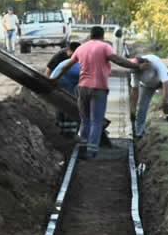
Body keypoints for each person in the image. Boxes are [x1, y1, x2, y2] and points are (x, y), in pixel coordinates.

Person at [52, 26, 140, 159]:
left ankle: (82, 146)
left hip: (82, 88)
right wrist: (136, 66)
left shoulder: (81, 48)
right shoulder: (104, 47)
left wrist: (54, 79)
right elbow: (118, 60)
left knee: (85, 119)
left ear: (90, 35)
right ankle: (91, 151)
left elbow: (65, 66)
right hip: (99, 88)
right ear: (102, 36)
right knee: (96, 121)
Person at [130, 52, 168, 138]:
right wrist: (133, 109)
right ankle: (139, 132)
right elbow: (135, 90)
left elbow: (165, 82)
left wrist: (164, 101)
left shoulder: (154, 61)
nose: (139, 72)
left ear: (146, 64)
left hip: (163, 80)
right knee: (142, 107)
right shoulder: (134, 72)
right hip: (147, 85)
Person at [47, 41, 81, 137]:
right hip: (61, 81)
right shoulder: (77, 63)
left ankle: (62, 129)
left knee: (62, 105)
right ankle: (69, 133)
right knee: (71, 105)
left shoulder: (73, 61)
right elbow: (48, 69)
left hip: (59, 80)